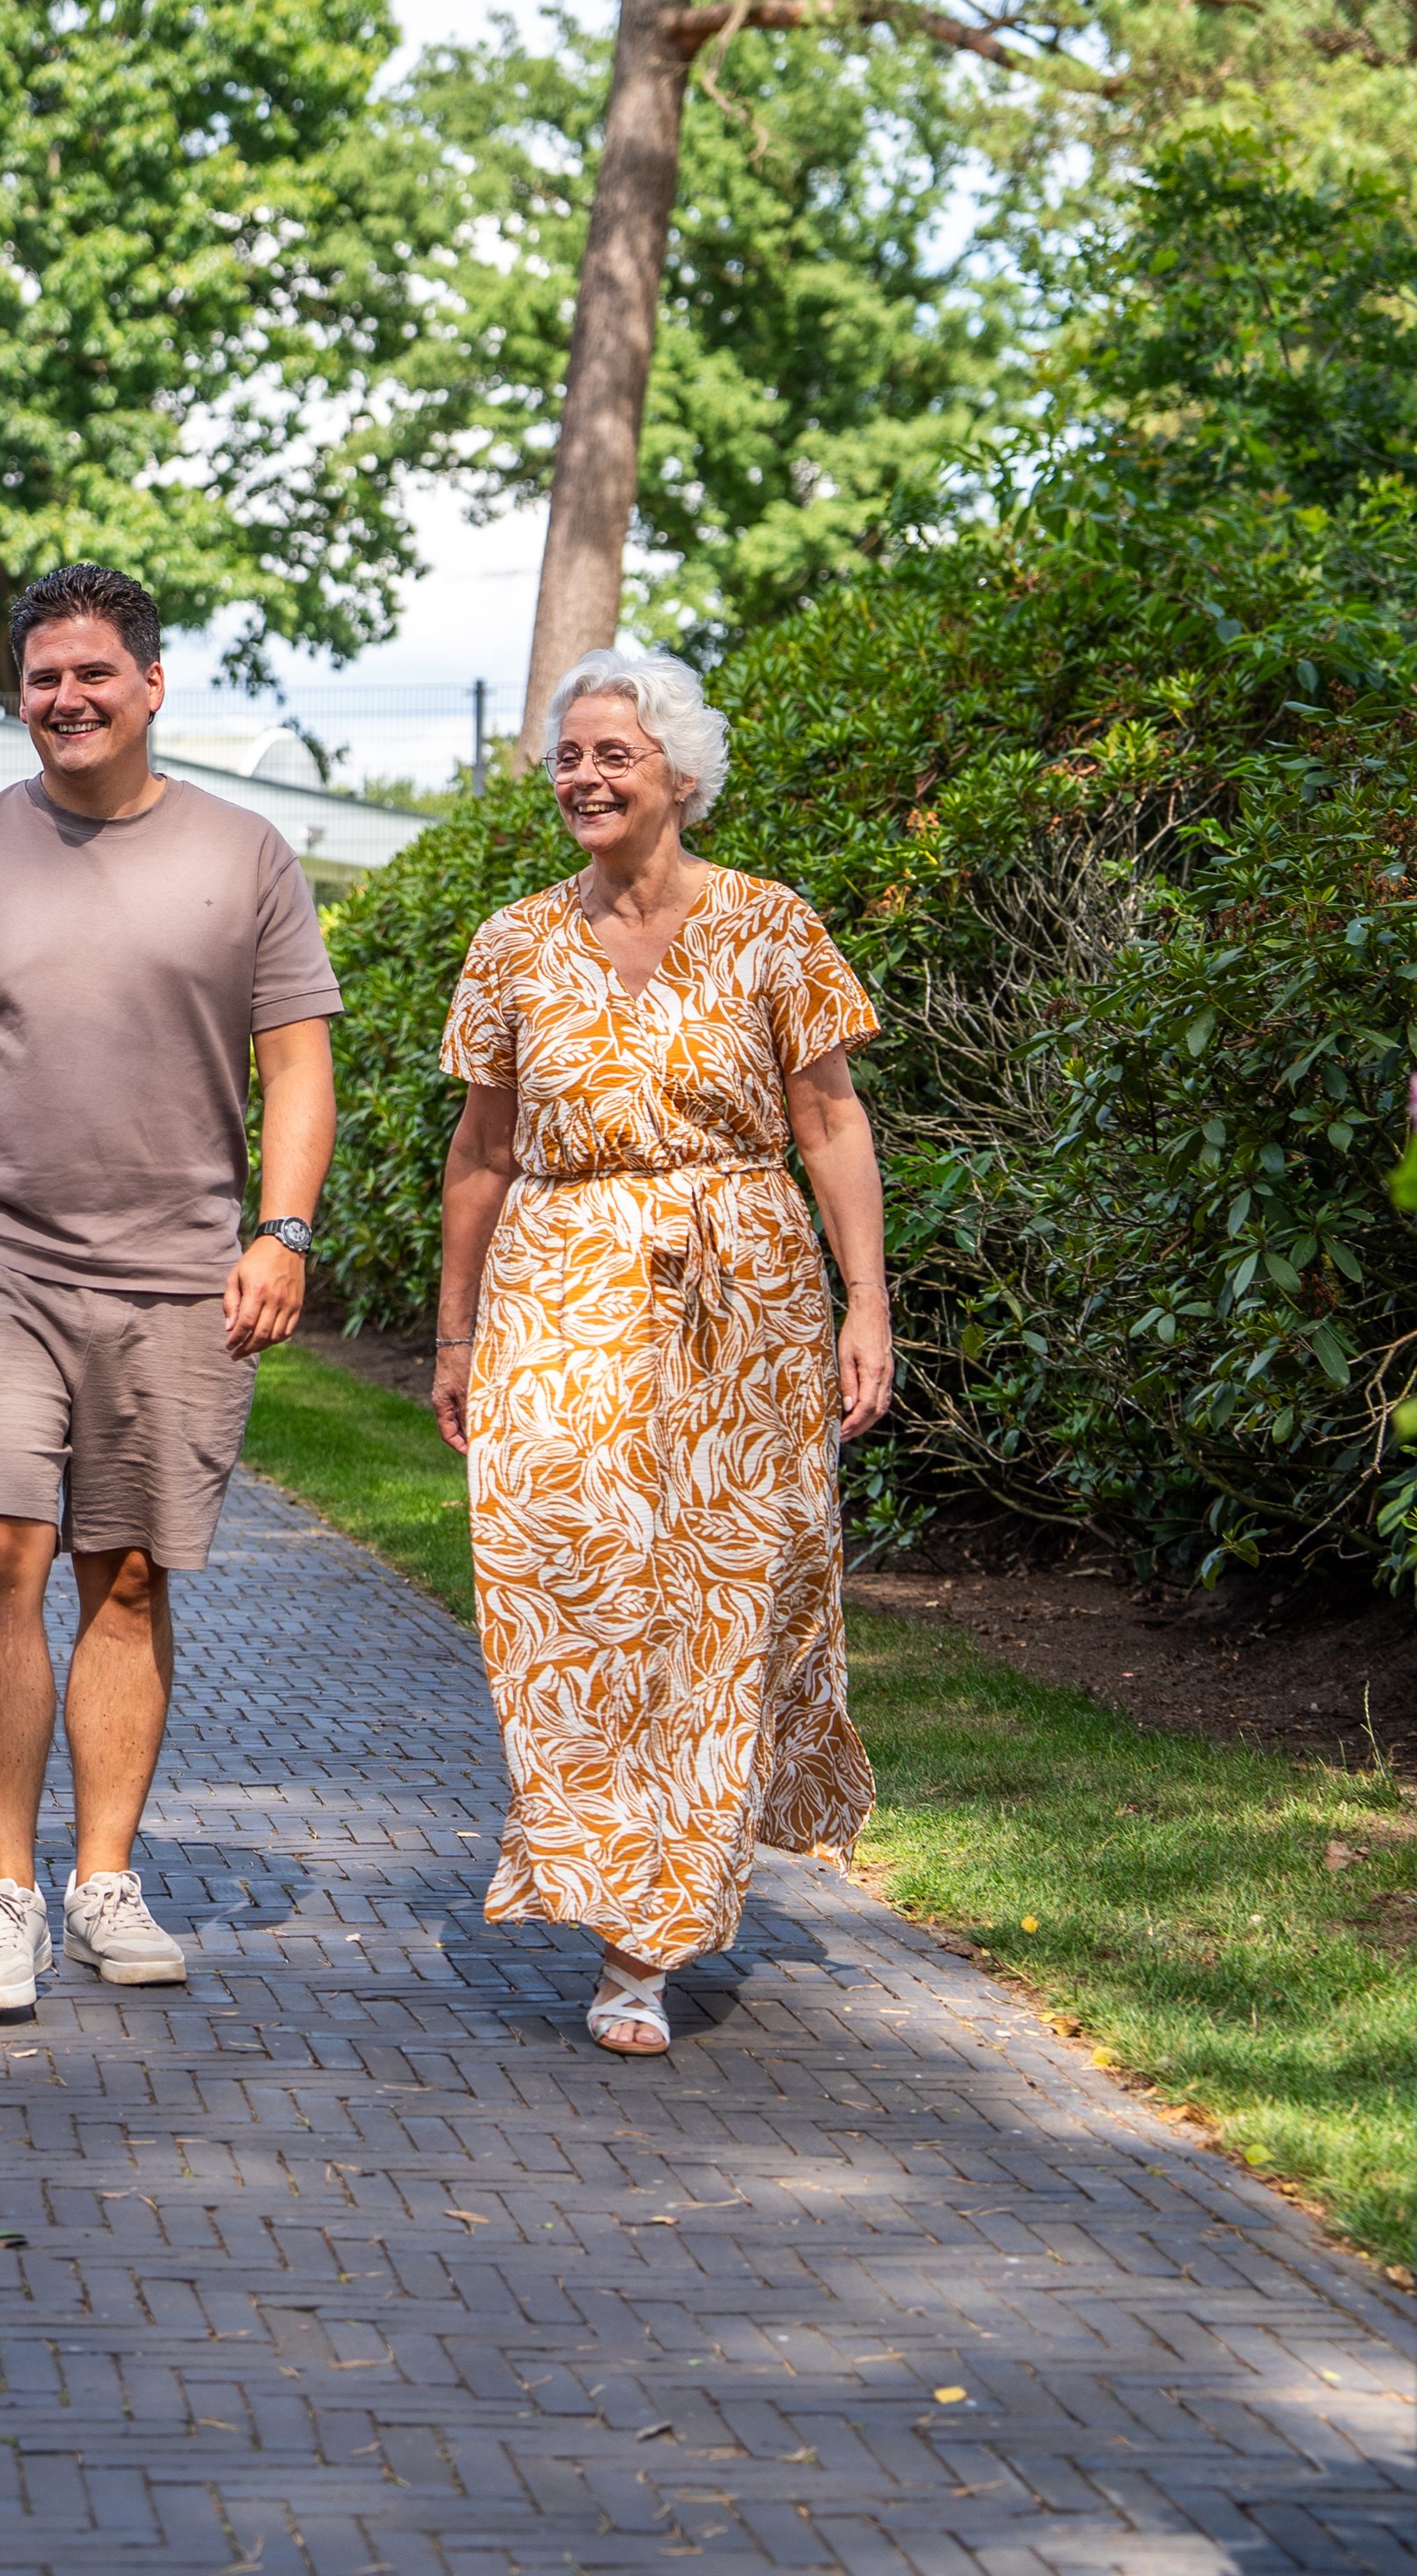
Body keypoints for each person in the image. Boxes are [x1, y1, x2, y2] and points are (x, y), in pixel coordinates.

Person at [0, 563, 341, 2021]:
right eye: (43, 676)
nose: (66, 697)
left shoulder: (245, 855)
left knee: (125, 1569)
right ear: (20, 691)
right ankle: (3, 1891)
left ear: (151, 684)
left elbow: (295, 1057)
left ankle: (103, 1873)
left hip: (180, 1273)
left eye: (93, 672)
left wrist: (283, 1229)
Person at [427, 649, 892, 2058]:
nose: (583, 776)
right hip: (559, 1292)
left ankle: (649, 1923)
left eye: (611, 753)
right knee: (566, 1577)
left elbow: (831, 1123)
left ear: (677, 771)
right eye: (568, 754)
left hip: (744, 1297)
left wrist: (867, 1300)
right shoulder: (512, 942)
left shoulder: (771, 925)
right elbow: (482, 1149)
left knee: (723, 1592)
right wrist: (452, 1327)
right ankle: (615, 1877)